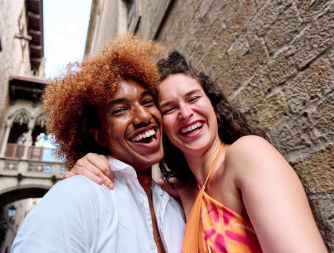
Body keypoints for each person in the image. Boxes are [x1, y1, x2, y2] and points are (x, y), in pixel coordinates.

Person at [70, 50, 328, 252]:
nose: (185, 113)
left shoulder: (247, 155)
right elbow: (133, 184)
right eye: (170, 108)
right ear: (162, 125)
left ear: (214, 108)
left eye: (193, 98)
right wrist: (92, 162)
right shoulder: (180, 192)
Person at [11, 36, 185, 253]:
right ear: (99, 135)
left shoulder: (177, 203)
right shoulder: (77, 196)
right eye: (120, 110)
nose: (143, 116)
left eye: (147, 102)